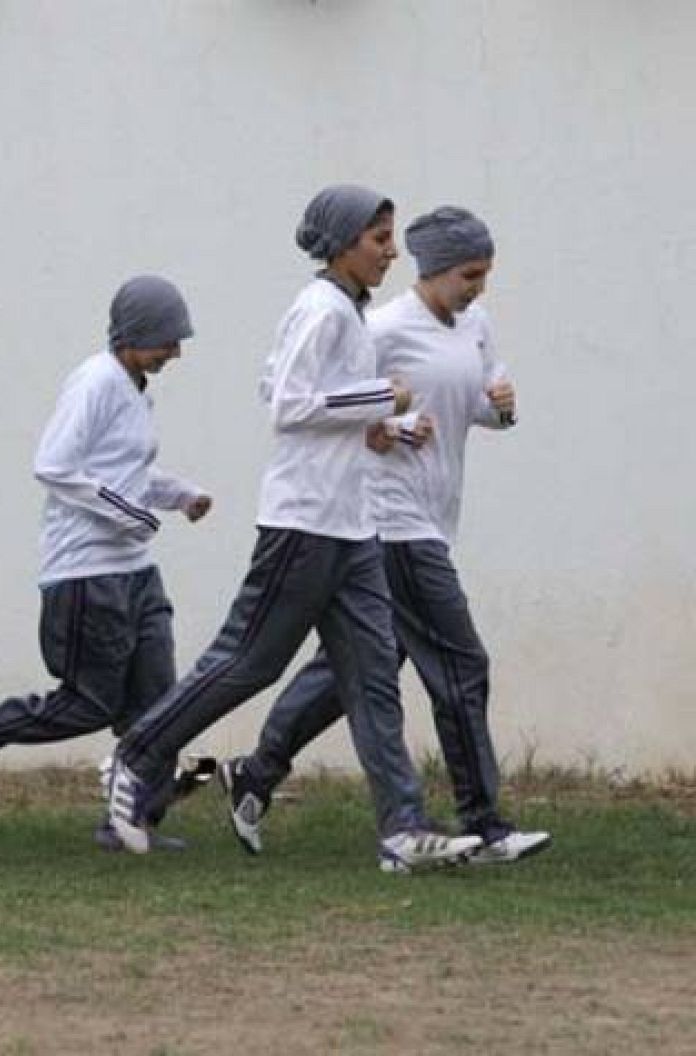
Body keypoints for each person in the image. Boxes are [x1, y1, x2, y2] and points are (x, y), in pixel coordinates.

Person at [103, 185, 484, 873]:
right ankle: (134, 756)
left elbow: (278, 383)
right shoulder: (322, 309)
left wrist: (388, 426)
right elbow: (288, 405)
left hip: (352, 527)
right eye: (379, 240)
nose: (392, 253)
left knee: (372, 681)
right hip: (304, 524)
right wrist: (381, 396)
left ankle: (402, 831)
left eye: (391, 239)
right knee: (248, 662)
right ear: (342, 243)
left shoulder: (345, 312)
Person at [220, 206, 550, 865]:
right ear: (433, 270)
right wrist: (393, 427)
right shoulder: (380, 325)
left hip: (434, 514)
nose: (478, 287)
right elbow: (326, 398)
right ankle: (484, 823)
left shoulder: (475, 325)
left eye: (485, 274)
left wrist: (501, 410)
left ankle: (254, 773)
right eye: (468, 274)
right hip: (391, 519)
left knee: (353, 671)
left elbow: (475, 405)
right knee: (461, 662)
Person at [0, 276, 213, 850]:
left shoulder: (136, 389)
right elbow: (55, 466)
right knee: (87, 704)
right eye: (166, 340)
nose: (176, 353)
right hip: (86, 575)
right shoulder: (95, 383)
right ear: (132, 336)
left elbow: (122, 474)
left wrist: (180, 495)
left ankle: (130, 822)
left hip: (134, 570)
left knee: (157, 704)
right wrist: (128, 515)